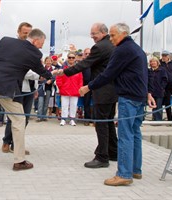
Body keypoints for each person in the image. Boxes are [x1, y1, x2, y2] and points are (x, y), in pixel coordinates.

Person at [56, 23, 156, 186]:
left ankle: (123, 173)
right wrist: (147, 93)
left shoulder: (121, 49)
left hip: (127, 97)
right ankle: (136, 170)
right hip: (138, 97)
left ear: (123, 34)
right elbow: (144, 73)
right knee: (135, 133)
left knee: (125, 135)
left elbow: (108, 74)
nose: (112, 39)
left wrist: (88, 87)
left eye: (114, 35)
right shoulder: (136, 48)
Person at [0, 28, 52, 171]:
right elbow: (41, 70)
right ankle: (19, 161)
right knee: (19, 119)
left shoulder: (6, 41)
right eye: (41, 43)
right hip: (6, 87)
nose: (41, 47)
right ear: (35, 40)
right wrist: (51, 76)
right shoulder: (34, 52)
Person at [54, 23, 118, 168]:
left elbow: (85, 64)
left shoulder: (100, 47)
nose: (92, 36)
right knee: (108, 122)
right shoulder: (112, 45)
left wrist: (65, 71)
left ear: (103, 33)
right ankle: (113, 152)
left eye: (94, 33)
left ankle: (102, 157)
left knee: (101, 123)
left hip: (102, 91)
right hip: (112, 90)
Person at [1, 22, 40, 154]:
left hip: (29, 89)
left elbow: (35, 67)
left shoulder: (33, 48)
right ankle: (6, 141)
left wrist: (35, 87)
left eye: (29, 33)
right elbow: (21, 70)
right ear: (18, 32)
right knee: (14, 117)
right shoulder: (13, 47)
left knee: (26, 118)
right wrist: (37, 76)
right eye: (25, 33)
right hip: (17, 88)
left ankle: (16, 144)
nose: (27, 35)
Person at [56, 52, 83, 126]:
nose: (71, 59)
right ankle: (63, 119)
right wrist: (61, 87)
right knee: (64, 105)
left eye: (73, 57)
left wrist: (79, 89)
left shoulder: (78, 69)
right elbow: (58, 78)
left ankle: (72, 119)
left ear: (75, 59)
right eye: (70, 57)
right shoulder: (63, 68)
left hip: (75, 90)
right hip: (65, 90)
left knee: (74, 105)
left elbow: (80, 80)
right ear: (67, 58)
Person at [149, 57, 168, 121]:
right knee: (153, 105)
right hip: (151, 91)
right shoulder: (149, 71)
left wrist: (162, 87)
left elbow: (165, 80)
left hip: (159, 90)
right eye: (151, 61)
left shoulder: (162, 70)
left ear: (157, 62)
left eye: (154, 61)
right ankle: (154, 118)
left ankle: (158, 119)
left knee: (159, 105)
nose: (153, 63)